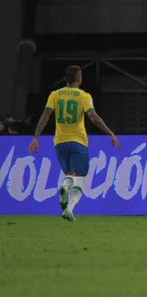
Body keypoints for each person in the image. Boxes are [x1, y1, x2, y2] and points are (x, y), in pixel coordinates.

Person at [28, 65, 120, 221]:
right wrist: (110, 133)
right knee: (80, 177)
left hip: (59, 142)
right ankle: (69, 209)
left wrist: (36, 138)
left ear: (66, 79)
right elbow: (94, 117)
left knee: (69, 174)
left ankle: (64, 187)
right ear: (79, 79)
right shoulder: (83, 96)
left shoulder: (54, 95)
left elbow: (45, 116)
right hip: (78, 140)